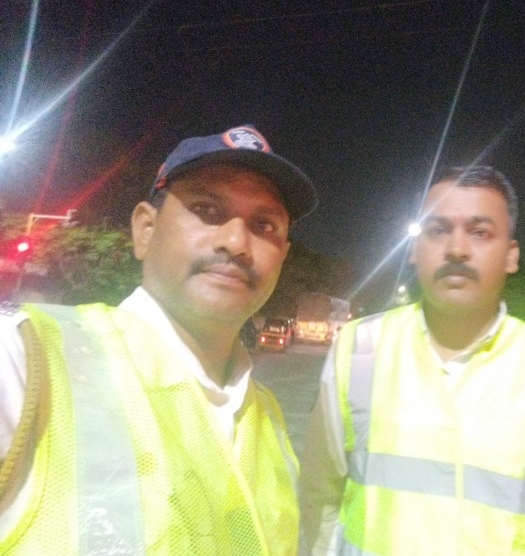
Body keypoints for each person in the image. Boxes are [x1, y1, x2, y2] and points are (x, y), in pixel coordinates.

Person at [0, 124, 318, 555]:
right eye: (207, 209)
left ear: (282, 256)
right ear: (145, 229)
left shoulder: (267, 419)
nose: (236, 242)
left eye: (264, 225)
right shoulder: (28, 360)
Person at [299, 165, 525, 555]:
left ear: (511, 256)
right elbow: (318, 501)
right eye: (437, 230)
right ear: (415, 250)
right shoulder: (359, 349)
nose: (456, 249)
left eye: (480, 232)